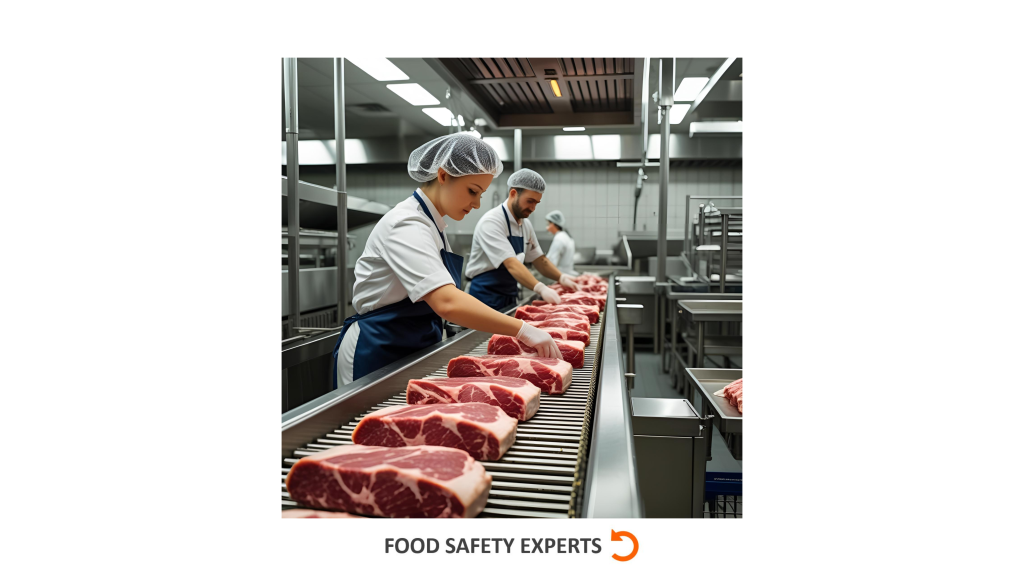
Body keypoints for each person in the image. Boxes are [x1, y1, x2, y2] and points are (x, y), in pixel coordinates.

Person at [332, 134, 562, 387]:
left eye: (481, 194)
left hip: (411, 345)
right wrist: (523, 330)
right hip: (377, 350)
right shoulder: (407, 224)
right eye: (472, 191)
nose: (477, 204)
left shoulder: (434, 225)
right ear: (443, 175)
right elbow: (446, 301)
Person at [466, 168, 578, 311]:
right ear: (513, 193)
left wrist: (561, 278)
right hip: (484, 296)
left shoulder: (525, 225)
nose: (533, 208)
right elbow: (511, 264)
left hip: (509, 295)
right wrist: (540, 288)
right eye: (530, 201)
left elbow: (539, 259)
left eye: (536, 203)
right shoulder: (492, 222)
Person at [544, 210, 576, 274]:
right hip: (567, 272)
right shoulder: (566, 236)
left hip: (560, 273)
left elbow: (551, 262)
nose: (547, 227)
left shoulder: (559, 238)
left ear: (553, 224)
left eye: (548, 224)